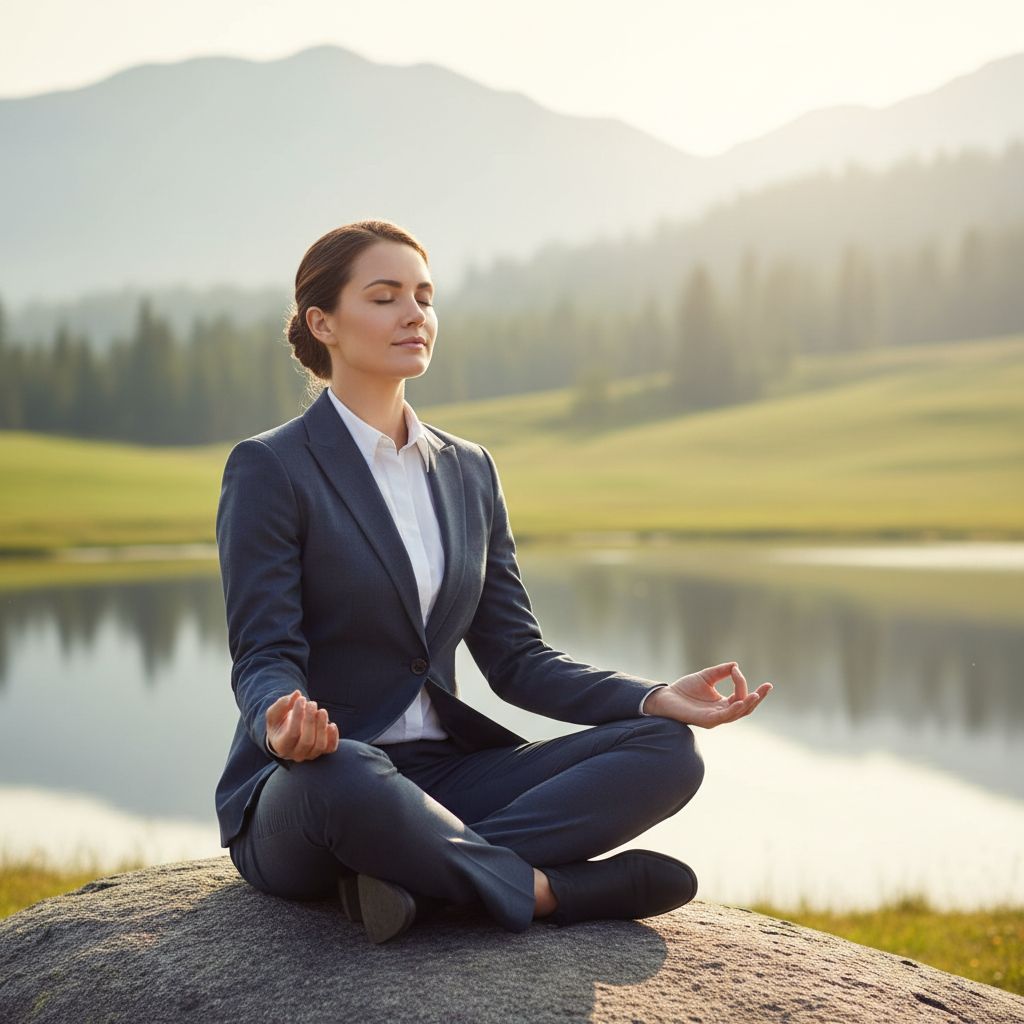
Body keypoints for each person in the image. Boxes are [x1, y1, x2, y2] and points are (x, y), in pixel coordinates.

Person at [215, 219, 773, 944]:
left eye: (424, 296)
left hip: (451, 780)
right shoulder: (271, 467)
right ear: (323, 323)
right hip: (316, 786)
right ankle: (547, 891)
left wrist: (651, 696)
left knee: (664, 749)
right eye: (385, 298)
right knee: (347, 771)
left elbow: (517, 659)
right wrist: (278, 722)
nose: (414, 314)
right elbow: (264, 653)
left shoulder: (469, 470)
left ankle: (420, 885)